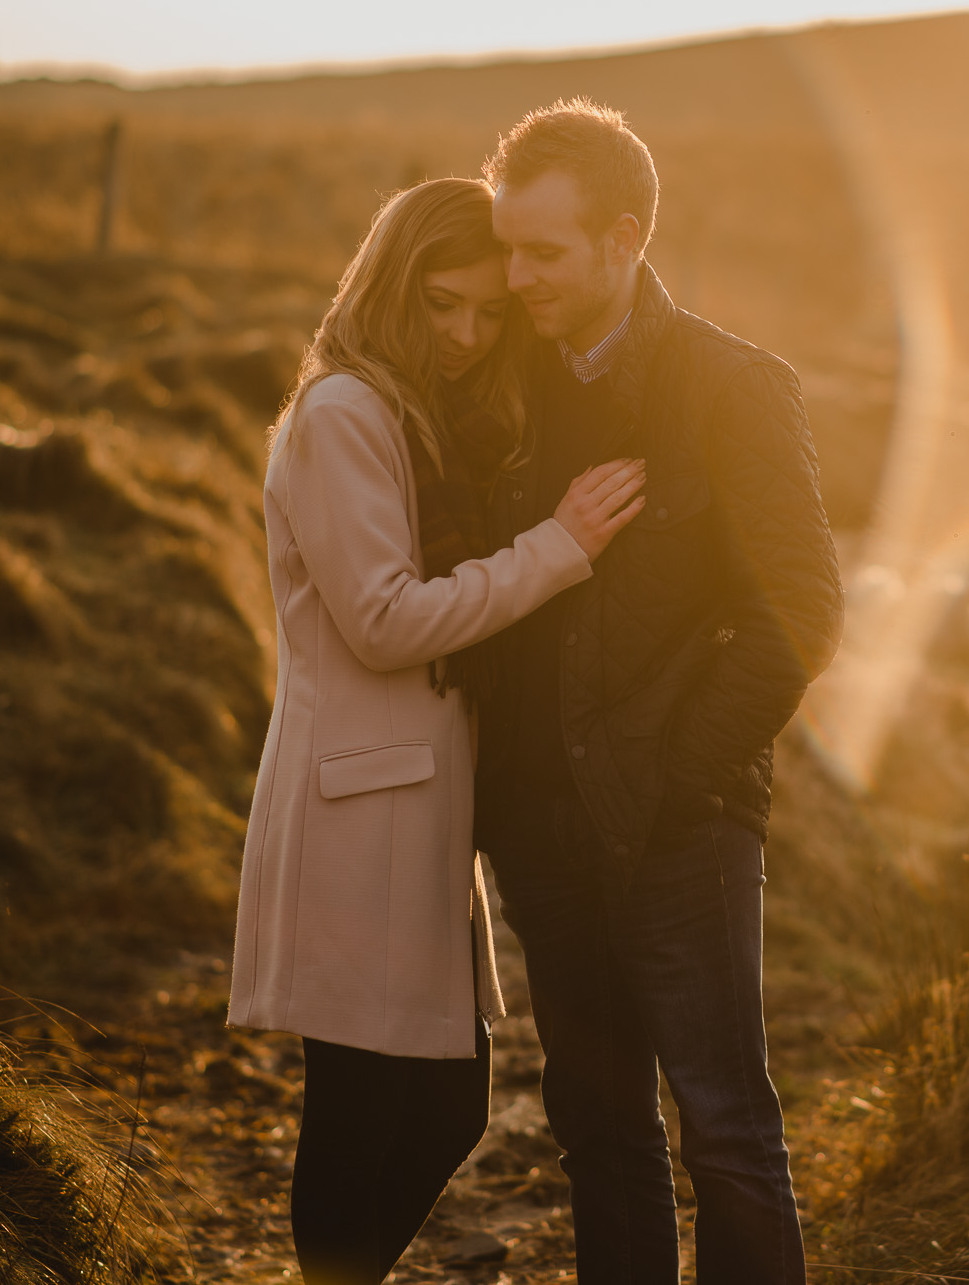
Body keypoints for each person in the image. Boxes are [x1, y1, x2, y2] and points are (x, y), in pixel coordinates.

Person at [226, 177, 647, 1285]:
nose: (464, 335)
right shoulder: (343, 414)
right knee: (365, 1107)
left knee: (445, 1105)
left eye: (486, 312)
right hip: (357, 803)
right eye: (441, 306)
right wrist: (557, 548)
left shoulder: (419, 414)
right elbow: (381, 620)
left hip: (415, 805)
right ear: (388, 289)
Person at [478, 99, 845, 1284]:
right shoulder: (505, 389)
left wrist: (681, 779)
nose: (516, 275)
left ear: (623, 237)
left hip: (683, 830)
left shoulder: (732, 386)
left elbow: (805, 612)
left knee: (724, 1131)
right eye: (508, 247)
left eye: (543, 251)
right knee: (598, 1133)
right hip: (541, 831)